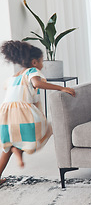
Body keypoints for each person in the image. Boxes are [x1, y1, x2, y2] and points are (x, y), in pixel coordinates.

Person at [0, 40, 75, 186]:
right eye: (41, 61)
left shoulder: (14, 76)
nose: (43, 65)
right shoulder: (33, 72)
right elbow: (37, 84)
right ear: (34, 62)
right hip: (21, 112)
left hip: (5, 114)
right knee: (45, 130)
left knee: (7, 146)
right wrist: (61, 88)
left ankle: (13, 153)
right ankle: (18, 149)